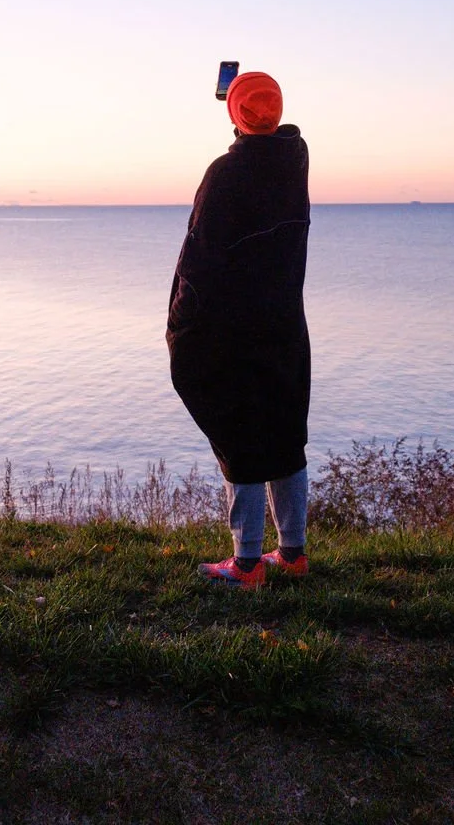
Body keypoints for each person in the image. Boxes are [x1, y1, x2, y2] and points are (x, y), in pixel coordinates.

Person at [166, 71, 311, 586]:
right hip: (284, 324)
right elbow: (271, 131)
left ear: (235, 116)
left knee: (241, 437)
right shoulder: (295, 161)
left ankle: (247, 563)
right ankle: (293, 553)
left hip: (233, 327)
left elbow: (201, 257)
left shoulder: (227, 173)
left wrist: (183, 321)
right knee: (285, 435)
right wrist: (246, 97)